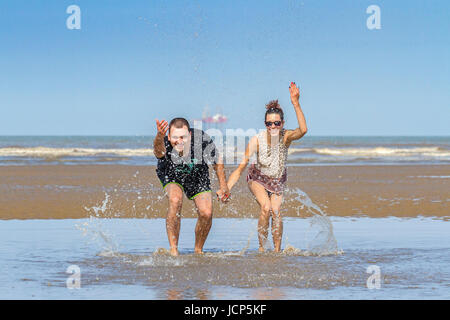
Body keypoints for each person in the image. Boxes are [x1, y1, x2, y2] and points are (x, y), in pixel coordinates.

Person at [226, 82, 307, 252]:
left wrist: (296, 104)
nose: (273, 127)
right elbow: (241, 168)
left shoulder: (286, 137)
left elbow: (303, 130)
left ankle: (276, 251)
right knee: (266, 208)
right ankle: (262, 249)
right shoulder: (257, 140)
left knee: (276, 211)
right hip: (258, 178)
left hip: (277, 179)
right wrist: (227, 188)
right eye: (269, 124)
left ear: (282, 123)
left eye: (276, 123)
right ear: (265, 124)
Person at [153, 117, 230, 256]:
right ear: (169, 136)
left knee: (206, 213)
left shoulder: (201, 139)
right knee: (175, 200)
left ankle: (198, 250)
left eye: (183, 137)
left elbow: (217, 160)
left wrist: (223, 186)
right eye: (175, 137)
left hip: (197, 173)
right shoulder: (163, 141)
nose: (179, 141)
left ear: (190, 135)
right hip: (171, 174)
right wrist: (159, 135)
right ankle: (174, 250)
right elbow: (158, 153)